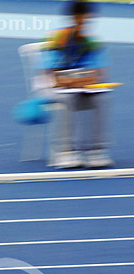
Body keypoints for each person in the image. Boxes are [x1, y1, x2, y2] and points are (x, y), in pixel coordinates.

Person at [43, 0, 113, 169]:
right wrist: (77, 80)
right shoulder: (57, 40)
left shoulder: (91, 42)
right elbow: (53, 78)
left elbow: (98, 75)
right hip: (58, 91)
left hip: (82, 89)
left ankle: (97, 150)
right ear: (73, 18)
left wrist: (75, 81)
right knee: (68, 100)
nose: (82, 23)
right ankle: (66, 151)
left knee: (101, 99)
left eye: (86, 19)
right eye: (80, 19)